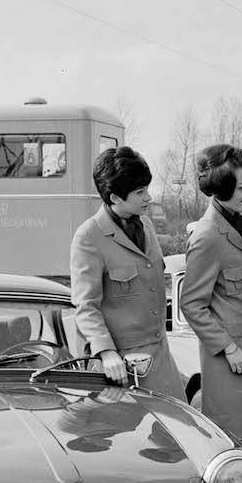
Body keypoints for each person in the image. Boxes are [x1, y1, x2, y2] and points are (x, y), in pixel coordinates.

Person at [70, 146, 182, 394]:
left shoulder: (147, 226)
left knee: (179, 427)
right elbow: (86, 306)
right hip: (121, 369)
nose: (148, 197)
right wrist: (106, 352)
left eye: (147, 189)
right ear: (114, 198)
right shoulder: (89, 237)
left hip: (161, 359)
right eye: (140, 192)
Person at [180, 144, 242, 437]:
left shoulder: (239, 223)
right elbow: (191, 304)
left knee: (241, 437)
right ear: (222, 186)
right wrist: (228, 347)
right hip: (228, 354)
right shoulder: (208, 235)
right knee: (224, 438)